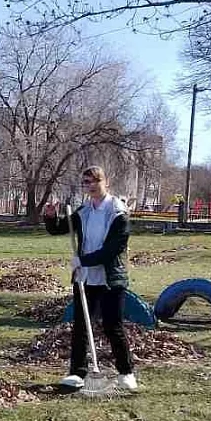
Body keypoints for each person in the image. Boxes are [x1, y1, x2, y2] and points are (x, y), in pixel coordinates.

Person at [43, 165, 138, 392]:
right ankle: (77, 373)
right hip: (85, 279)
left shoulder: (118, 213)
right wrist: (50, 217)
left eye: (95, 181)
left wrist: (82, 261)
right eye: (86, 182)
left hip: (110, 279)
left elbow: (112, 251)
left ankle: (126, 373)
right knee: (81, 326)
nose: (91, 186)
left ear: (106, 182)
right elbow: (59, 229)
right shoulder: (84, 211)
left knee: (112, 325)